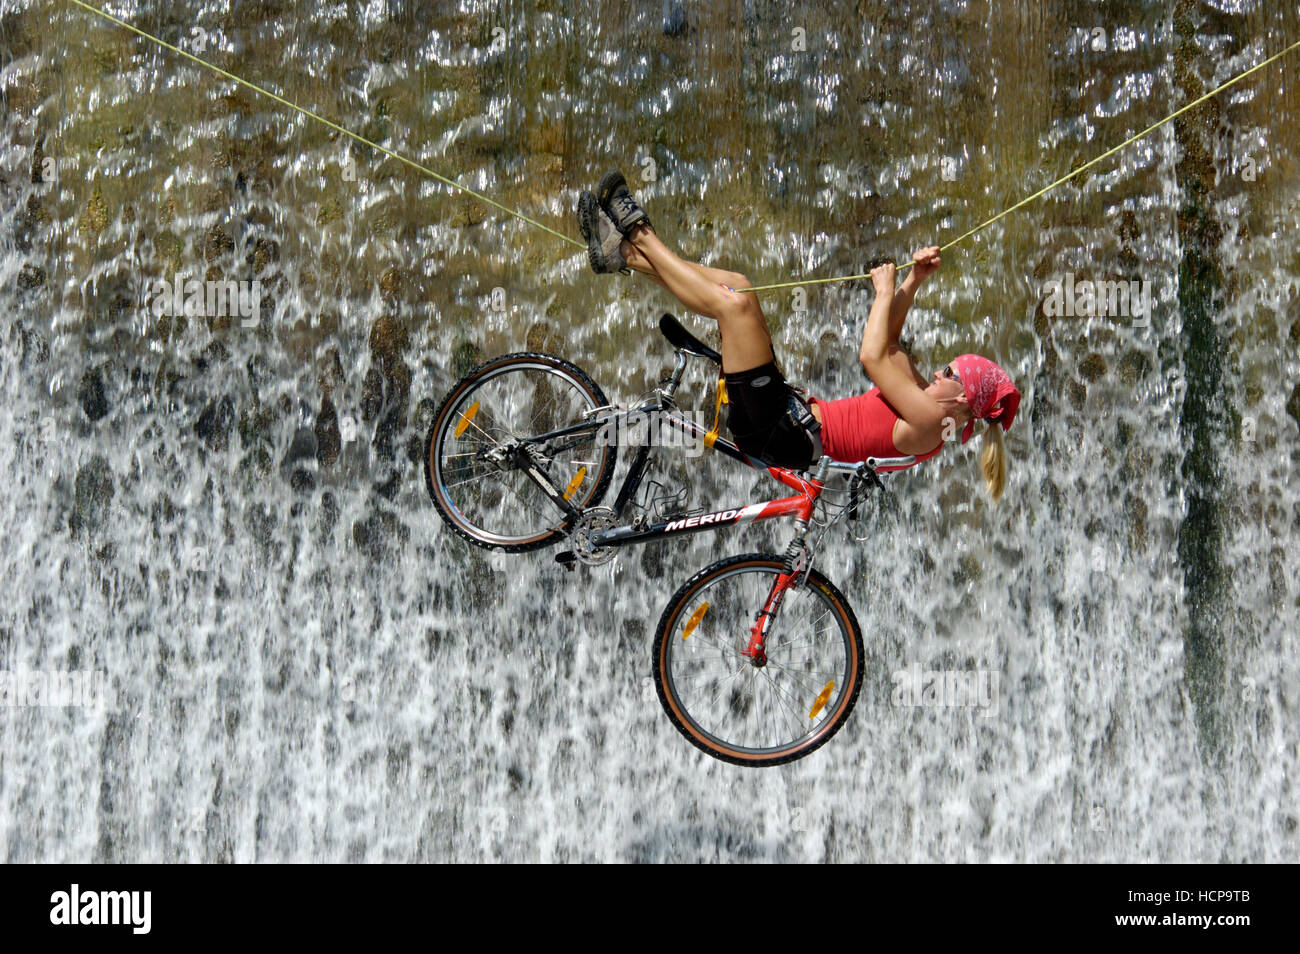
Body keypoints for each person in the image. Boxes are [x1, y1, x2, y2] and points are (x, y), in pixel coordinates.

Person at [576, 170, 1021, 500]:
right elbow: (888, 342)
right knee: (740, 286)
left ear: (964, 400)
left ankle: (638, 231)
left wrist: (883, 291)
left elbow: (871, 356)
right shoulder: (926, 406)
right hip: (787, 413)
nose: (938, 373)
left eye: (950, 373)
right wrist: (913, 281)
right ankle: (627, 258)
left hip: (780, 432)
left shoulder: (930, 424)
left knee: (731, 308)